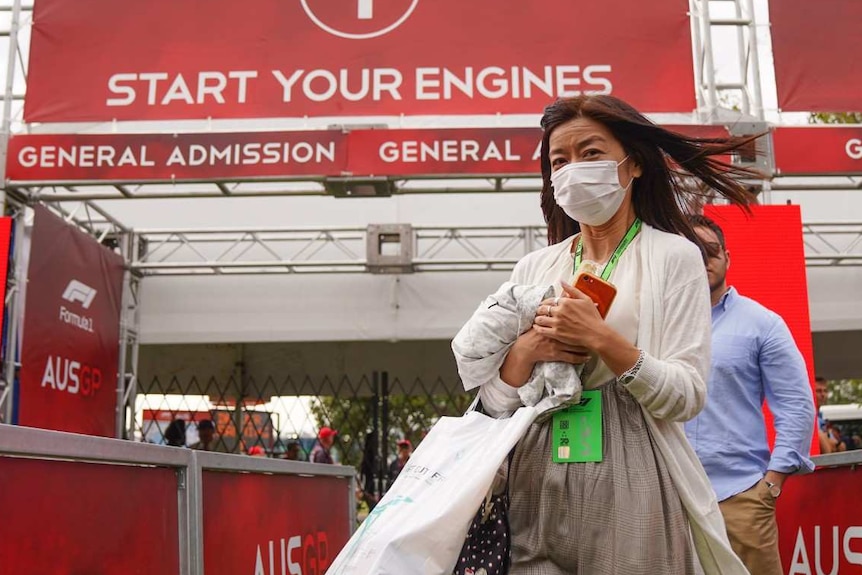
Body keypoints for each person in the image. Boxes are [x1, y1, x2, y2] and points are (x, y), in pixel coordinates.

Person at [469, 95, 759, 574]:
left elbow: (686, 395)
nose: (573, 169)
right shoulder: (535, 267)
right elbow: (496, 403)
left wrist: (603, 339)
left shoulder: (674, 256)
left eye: (591, 153)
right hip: (536, 461)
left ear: (636, 164)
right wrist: (527, 349)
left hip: (632, 459)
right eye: (559, 160)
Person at [684, 214, 816, 575]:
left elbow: (797, 406)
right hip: (670, 496)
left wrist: (770, 485)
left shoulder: (762, 324)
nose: (703, 259)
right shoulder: (658, 323)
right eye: (692, 251)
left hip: (740, 496)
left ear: (727, 256)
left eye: (710, 250)